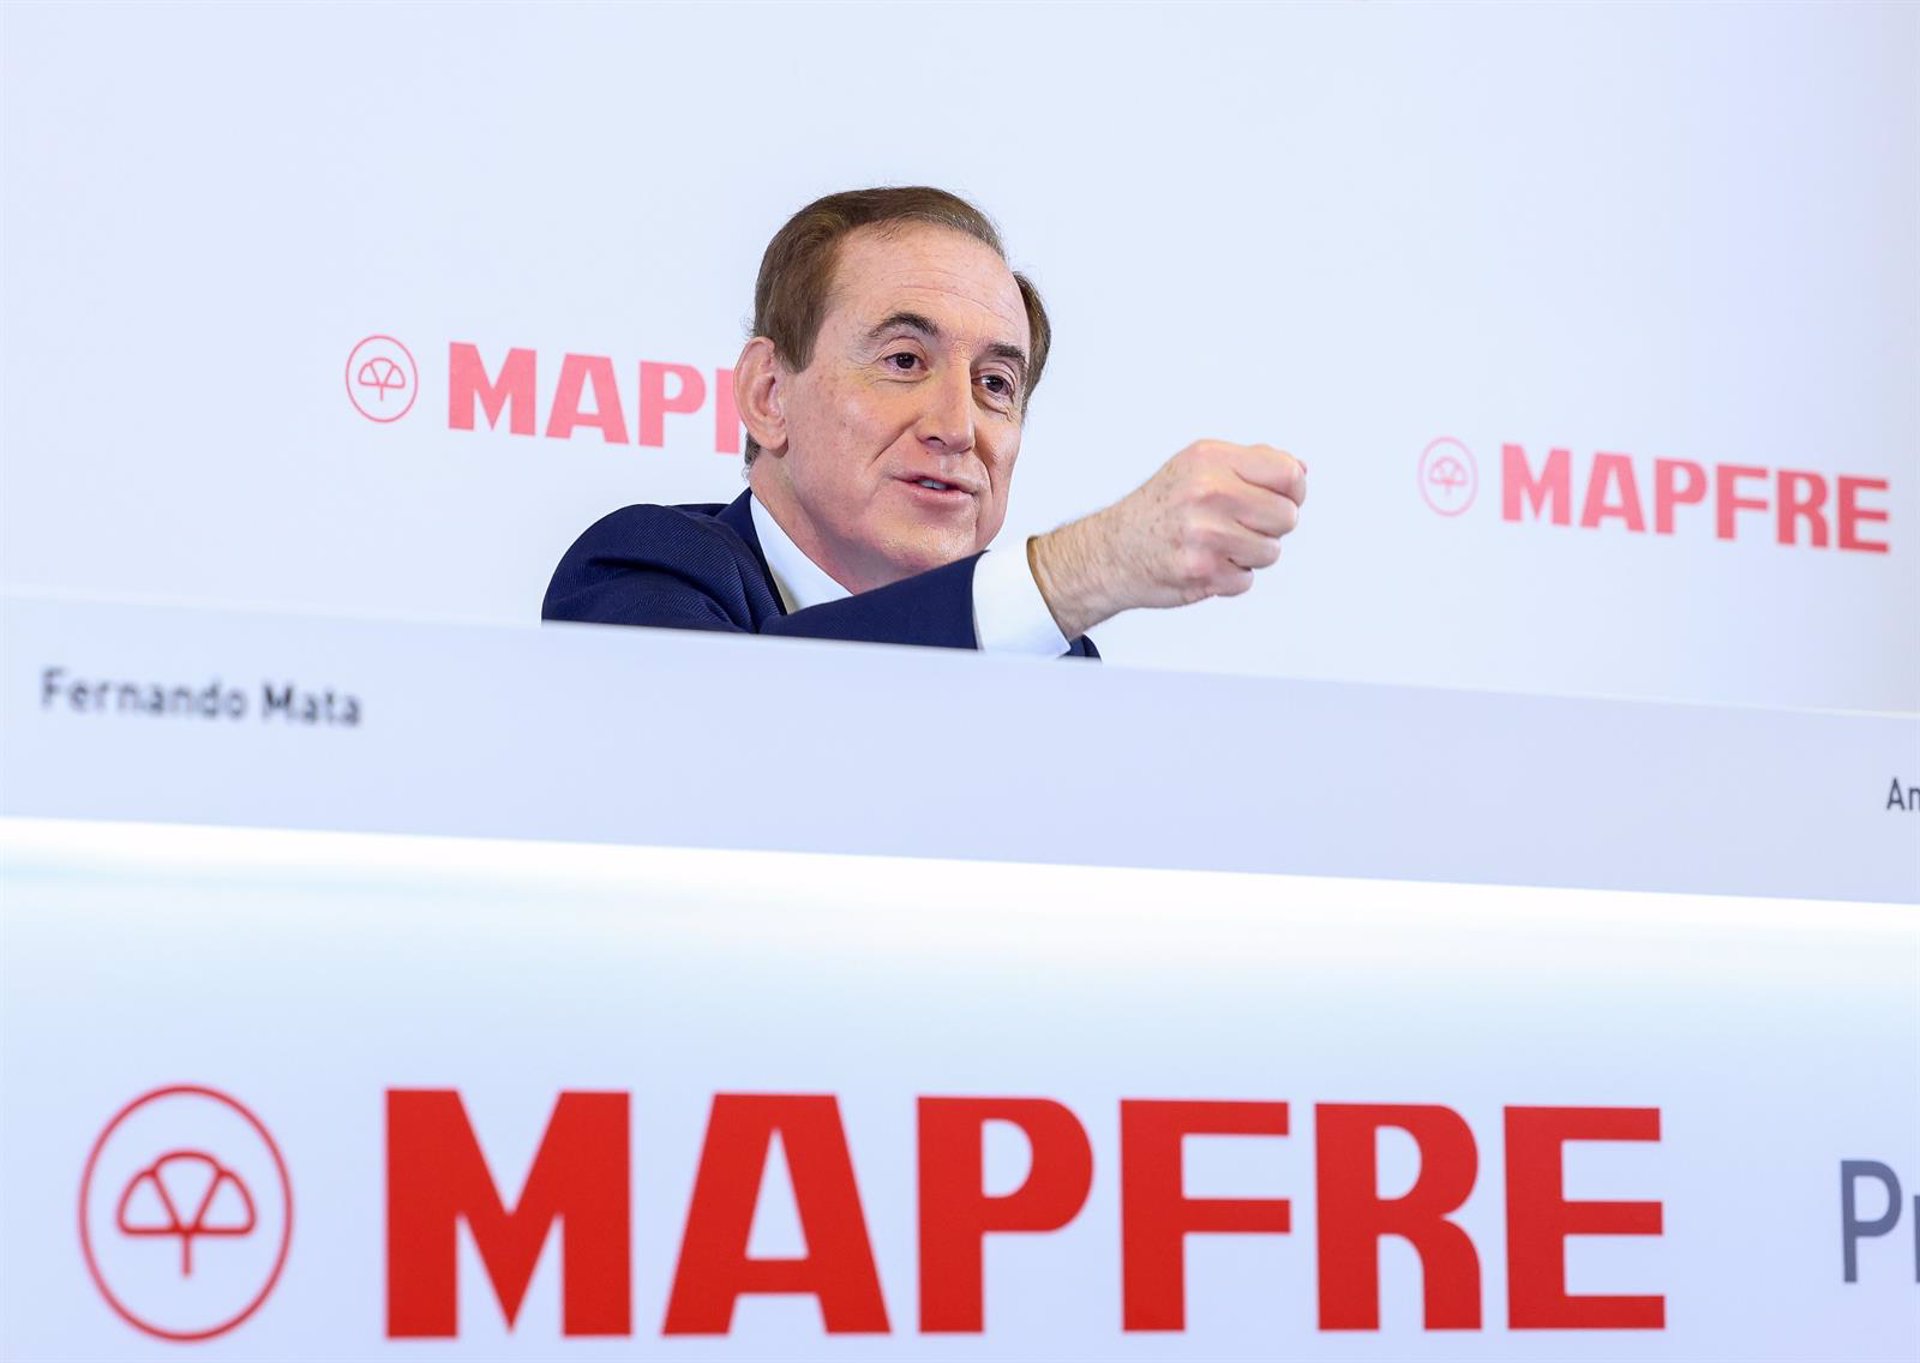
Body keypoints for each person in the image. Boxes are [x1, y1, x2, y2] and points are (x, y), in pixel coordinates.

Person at [543, 187, 1307, 656]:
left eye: (995, 384)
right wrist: (1082, 568)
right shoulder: (638, 571)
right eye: (905, 361)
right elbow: (732, 737)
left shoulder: (1051, 660)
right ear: (769, 394)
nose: (958, 426)